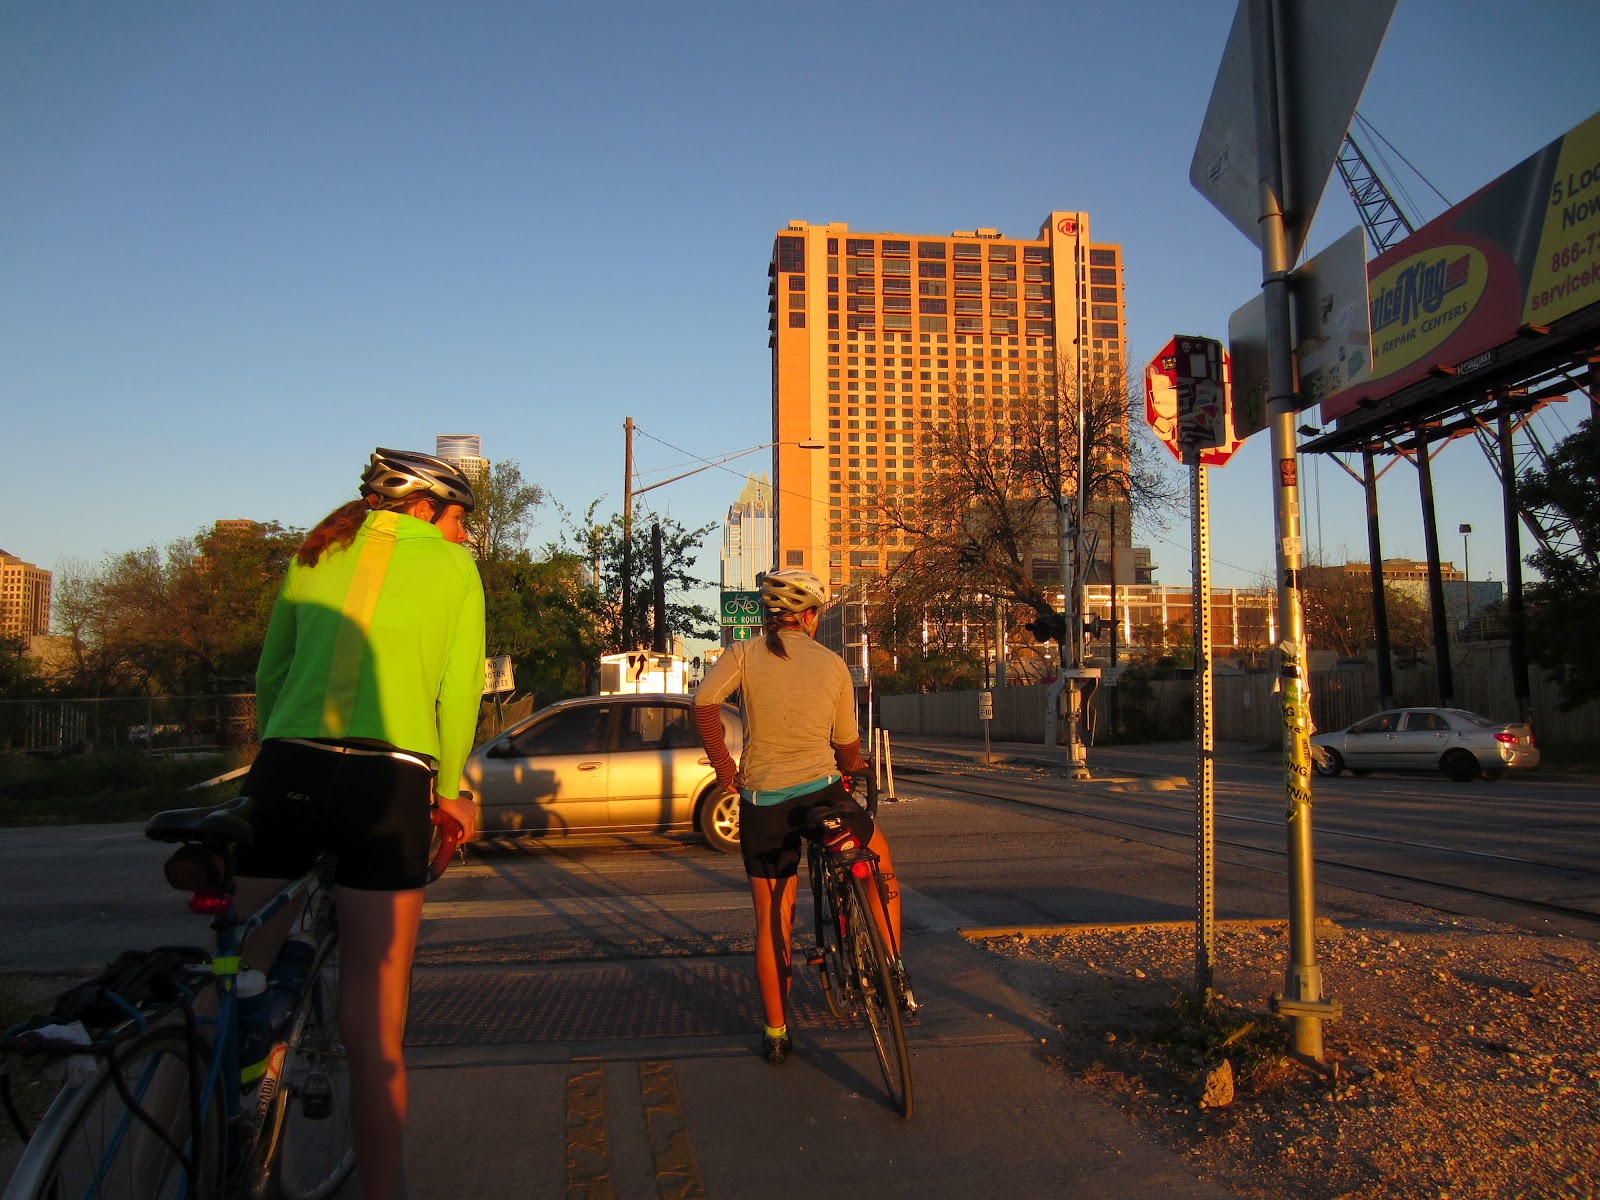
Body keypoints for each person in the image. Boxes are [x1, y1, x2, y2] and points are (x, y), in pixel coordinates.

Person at [234, 447, 485, 1199]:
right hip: (388, 778)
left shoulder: (316, 551)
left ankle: (223, 1101)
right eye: (462, 520)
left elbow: (270, 674)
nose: (467, 537)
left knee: (238, 981)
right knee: (375, 1030)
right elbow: (458, 689)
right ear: (426, 510)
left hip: (286, 764)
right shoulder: (453, 572)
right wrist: (453, 791)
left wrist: (281, 754)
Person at [691, 567, 906, 1068]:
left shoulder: (745, 652)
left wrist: (726, 771)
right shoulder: (833, 665)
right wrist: (856, 766)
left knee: (772, 919)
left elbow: (704, 703)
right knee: (880, 864)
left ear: (772, 616)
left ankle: (776, 1032)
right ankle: (891, 966)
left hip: (764, 803)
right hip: (825, 795)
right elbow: (847, 747)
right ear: (810, 616)